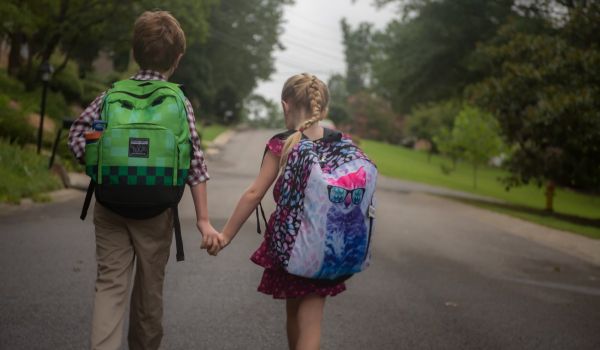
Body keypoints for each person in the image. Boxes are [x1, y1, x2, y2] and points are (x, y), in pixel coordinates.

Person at [68, 11, 220, 350]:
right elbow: (195, 161)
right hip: (156, 210)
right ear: (178, 59)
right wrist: (204, 220)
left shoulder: (110, 96)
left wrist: (104, 158)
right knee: (149, 295)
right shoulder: (178, 101)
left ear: (134, 52)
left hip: (110, 203)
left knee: (109, 285)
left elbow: (78, 137)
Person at [208, 73, 346, 350]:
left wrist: (226, 235)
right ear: (324, 109)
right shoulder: (340, 143)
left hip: (291, 245)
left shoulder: (283, 143)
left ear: (286, 106)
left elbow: (254, 193)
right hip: (327, 244)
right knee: (311, 319)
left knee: (295, 313)